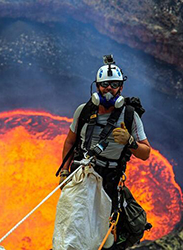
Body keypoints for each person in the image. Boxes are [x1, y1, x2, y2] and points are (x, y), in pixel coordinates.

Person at [57, 55, 151, 249]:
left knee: (104, 228)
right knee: (73, 218)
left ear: (121, 88)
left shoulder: (130, 116)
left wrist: (130, 141)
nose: (109, 89)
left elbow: (145, 153)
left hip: (110, 177)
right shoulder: (83, 111)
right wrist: (65, 171)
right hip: (82, 173)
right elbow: (70, 141)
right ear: (97, 86)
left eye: (114, 85)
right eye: (105, 84)